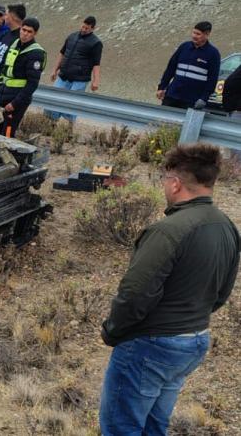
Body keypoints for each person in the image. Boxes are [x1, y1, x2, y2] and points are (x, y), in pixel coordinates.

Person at [99, 144, 239, 435]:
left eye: (165, 179)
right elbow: (222, 293)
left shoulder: (168, 230)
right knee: (154, 424)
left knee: (121, 427)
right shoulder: (226, 227)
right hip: (194, 340)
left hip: (151, 345)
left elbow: (135, 293)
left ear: (175, 183)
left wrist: (113, 330)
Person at [0, 17, 46, 138]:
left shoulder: (36, 53)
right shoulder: (14, 44)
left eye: (29, 31)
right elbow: (4, 70)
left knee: (8, 134)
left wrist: (15, 103)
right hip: (4, 94)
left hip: (17, 100)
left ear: (35, 33)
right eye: (23, 30)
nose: (25, 34)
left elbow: (32, 84)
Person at [48, 16, 103, 122]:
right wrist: (54, 70)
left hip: (80, 80)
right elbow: (62, 53)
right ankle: (51, 125)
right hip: (63, 76)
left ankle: (68, 130)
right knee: (54, 100)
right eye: (82, 26)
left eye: (87, 28)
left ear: (93, 28)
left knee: (71, 105)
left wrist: (96, 81)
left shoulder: (96, 43)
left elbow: (96, 64)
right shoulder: (72, 37)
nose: (83, 29)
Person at [157, 22, 221, 110]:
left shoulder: (213, 53)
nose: (194, 36)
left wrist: (204, 98)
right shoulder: (184, 47)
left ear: (207, 34)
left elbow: (212, 79)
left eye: (198, 34)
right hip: (172, 95)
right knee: (163, 122)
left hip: (191, 100)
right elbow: (170, 68)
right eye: (194, 32)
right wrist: (162, 87)